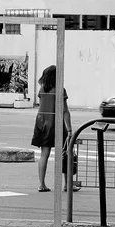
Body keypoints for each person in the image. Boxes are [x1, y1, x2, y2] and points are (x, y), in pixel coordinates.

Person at [31, 65, 74, 193]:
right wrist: (70, 129)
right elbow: (65, 110)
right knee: (66, 152)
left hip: (41, 122)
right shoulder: (60, 90)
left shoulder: (42, 89)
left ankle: (42, 184)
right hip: (56, 123)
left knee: (44, 154)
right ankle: (67, 184)